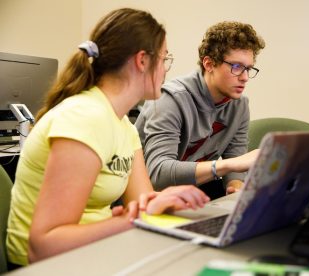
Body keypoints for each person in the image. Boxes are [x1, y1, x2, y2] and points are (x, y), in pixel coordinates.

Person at [6, 8, 209, 267]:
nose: (166, 69)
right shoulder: (84, 118)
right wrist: (130, 221)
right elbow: (44, 246)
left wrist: (165, 199)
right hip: (46, 266)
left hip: (93, 253)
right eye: (164, 58)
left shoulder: (122, 123)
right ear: (142, 61)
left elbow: (141, 203)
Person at [135, 21, 265, 199]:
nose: (244, 78)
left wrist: (235, 186)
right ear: (209, 64)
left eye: (248, 69)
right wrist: (226, 165)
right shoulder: (171, 99)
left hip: (194, 191)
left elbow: (236, 162)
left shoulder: (239, 106)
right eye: (236, 67)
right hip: (149, 195)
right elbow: (158, 174)